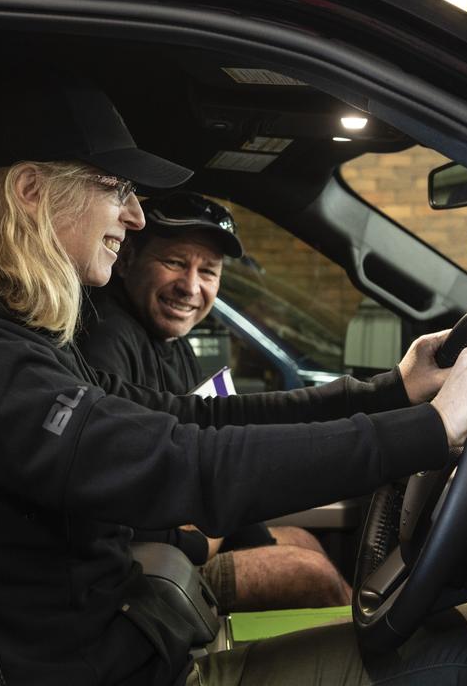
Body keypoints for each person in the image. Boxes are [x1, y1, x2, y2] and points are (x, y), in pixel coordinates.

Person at [0, 73, 467, 685]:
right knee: (465, 647)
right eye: (116, 186)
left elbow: (194, 422)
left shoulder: (3, 341)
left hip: (135, 651)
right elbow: (185, 465)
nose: (133, 217)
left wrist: (393, 393)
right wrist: (431, 429)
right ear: (30, 191)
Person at [79, 191, 351, 611]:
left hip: (186, 536)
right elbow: (114, 493)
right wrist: (202, 539)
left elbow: (213, 446)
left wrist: (240, 532)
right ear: (129, 258)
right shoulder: (107, 336)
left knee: (303, 542)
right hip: (147, 566)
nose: (190, 287)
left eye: (208, 271)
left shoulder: (172, 341)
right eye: (173, 262)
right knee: (312, 577)